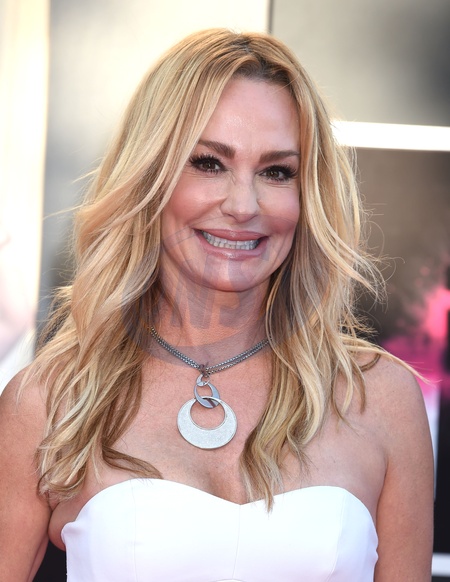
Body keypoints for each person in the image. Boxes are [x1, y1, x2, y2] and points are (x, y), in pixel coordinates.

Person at [0, 28, 433, 581]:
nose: (244, 204)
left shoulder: (382, 399)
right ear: (150, 175)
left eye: (277, 172)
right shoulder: (51, 400)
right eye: (209, 163)